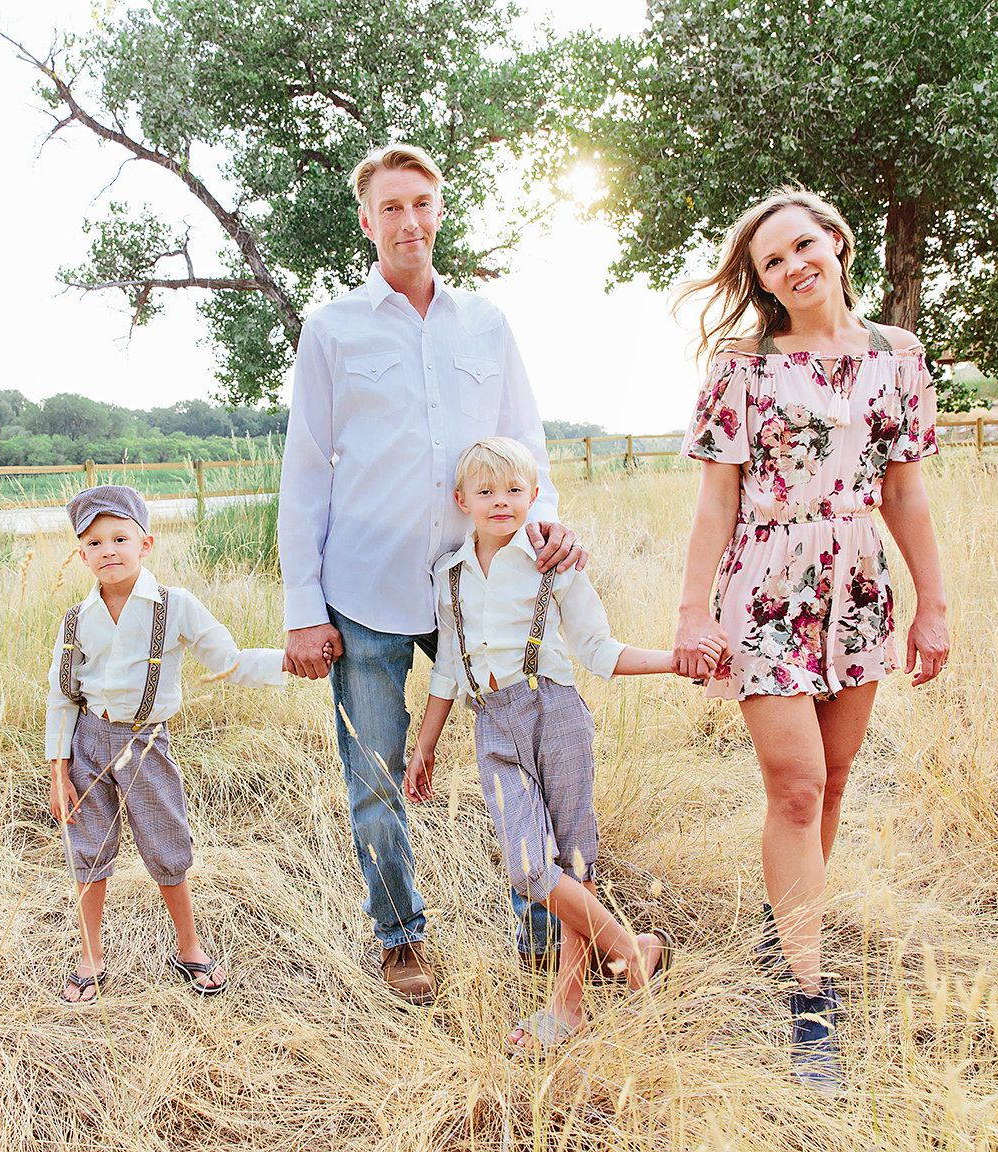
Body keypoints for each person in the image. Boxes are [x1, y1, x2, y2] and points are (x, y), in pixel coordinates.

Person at [277, 143, 584, 1004]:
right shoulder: (332, 329)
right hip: (365, 593)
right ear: (367, 221)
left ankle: (541, 929)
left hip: (480, 589)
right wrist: (304, 606)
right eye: (390, 207)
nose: (407, 221)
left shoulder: (486, 324)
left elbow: (528, 440)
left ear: (438, 212)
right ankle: (400, 937)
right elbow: (306, 471)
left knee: (520, 764)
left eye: (421, 203)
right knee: (375, 777)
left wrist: (544, 523)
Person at [671, 188, 950, 1089]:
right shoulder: (741, 368)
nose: (794, 267)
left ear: (835, 242)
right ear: (762, 283)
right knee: (793, 787)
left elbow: (905, 492)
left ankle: (787, 921)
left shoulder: (898, 359)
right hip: (765, 586)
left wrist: (932, 604)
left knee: (831, 783)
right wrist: (691, 610)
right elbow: (716, 499)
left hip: (859, 582)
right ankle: (809, 998)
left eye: (802, 247)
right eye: (772, 263)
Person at [404, 437, 717, 1054]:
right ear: (461, 499)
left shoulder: (555, 564)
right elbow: (446, 665)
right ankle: (633, 950)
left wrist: (673, 663)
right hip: (493, 724)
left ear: (535, 495)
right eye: (487, 491)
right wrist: (426, 744)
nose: (502, 501)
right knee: (526, 866)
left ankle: (568, 1005)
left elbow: (599, 650)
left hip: (556, 711)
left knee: (573, 860)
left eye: (515, 490)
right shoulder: (448, 574)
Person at [46, 484, 295, 1005]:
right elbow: (62, 697)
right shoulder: (76, 619)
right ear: (81, 553)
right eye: (93, 543)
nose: (107, 551)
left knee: (166, 846)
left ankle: (190, 946)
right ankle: (90, 956)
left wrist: (289, 661)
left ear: (146, 543)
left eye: (119, 538)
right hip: (88, 742)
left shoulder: (173, 606)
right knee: (88, 851)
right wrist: (59, 771)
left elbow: (227, 661)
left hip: (145, 744)